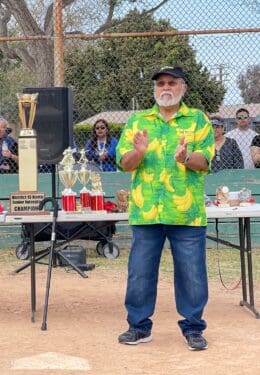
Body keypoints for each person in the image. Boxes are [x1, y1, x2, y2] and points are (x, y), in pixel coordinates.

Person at [115, 66, 214, 351]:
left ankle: (194, 328)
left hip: (187, 213)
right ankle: (138, 326)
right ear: (154, 89)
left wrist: (185, 157)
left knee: (192, 274)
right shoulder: (137, 121)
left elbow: (205, 161)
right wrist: (140, 152)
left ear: (183, 87)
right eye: (160, 83)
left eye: (172, 82)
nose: (165, 87)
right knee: (140, 272)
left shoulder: (197, 120)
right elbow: (125, 163)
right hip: (147, 212)